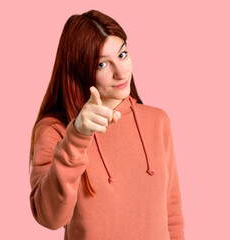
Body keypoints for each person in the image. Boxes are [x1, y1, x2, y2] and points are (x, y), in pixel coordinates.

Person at [29, 10, 184, 239]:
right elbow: (50, 217)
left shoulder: (157, 121)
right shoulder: (56, 131)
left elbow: (172, 216)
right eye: (103, 64)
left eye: (122, 55)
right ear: (79, 70)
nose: (121, 73)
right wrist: (77, 137)